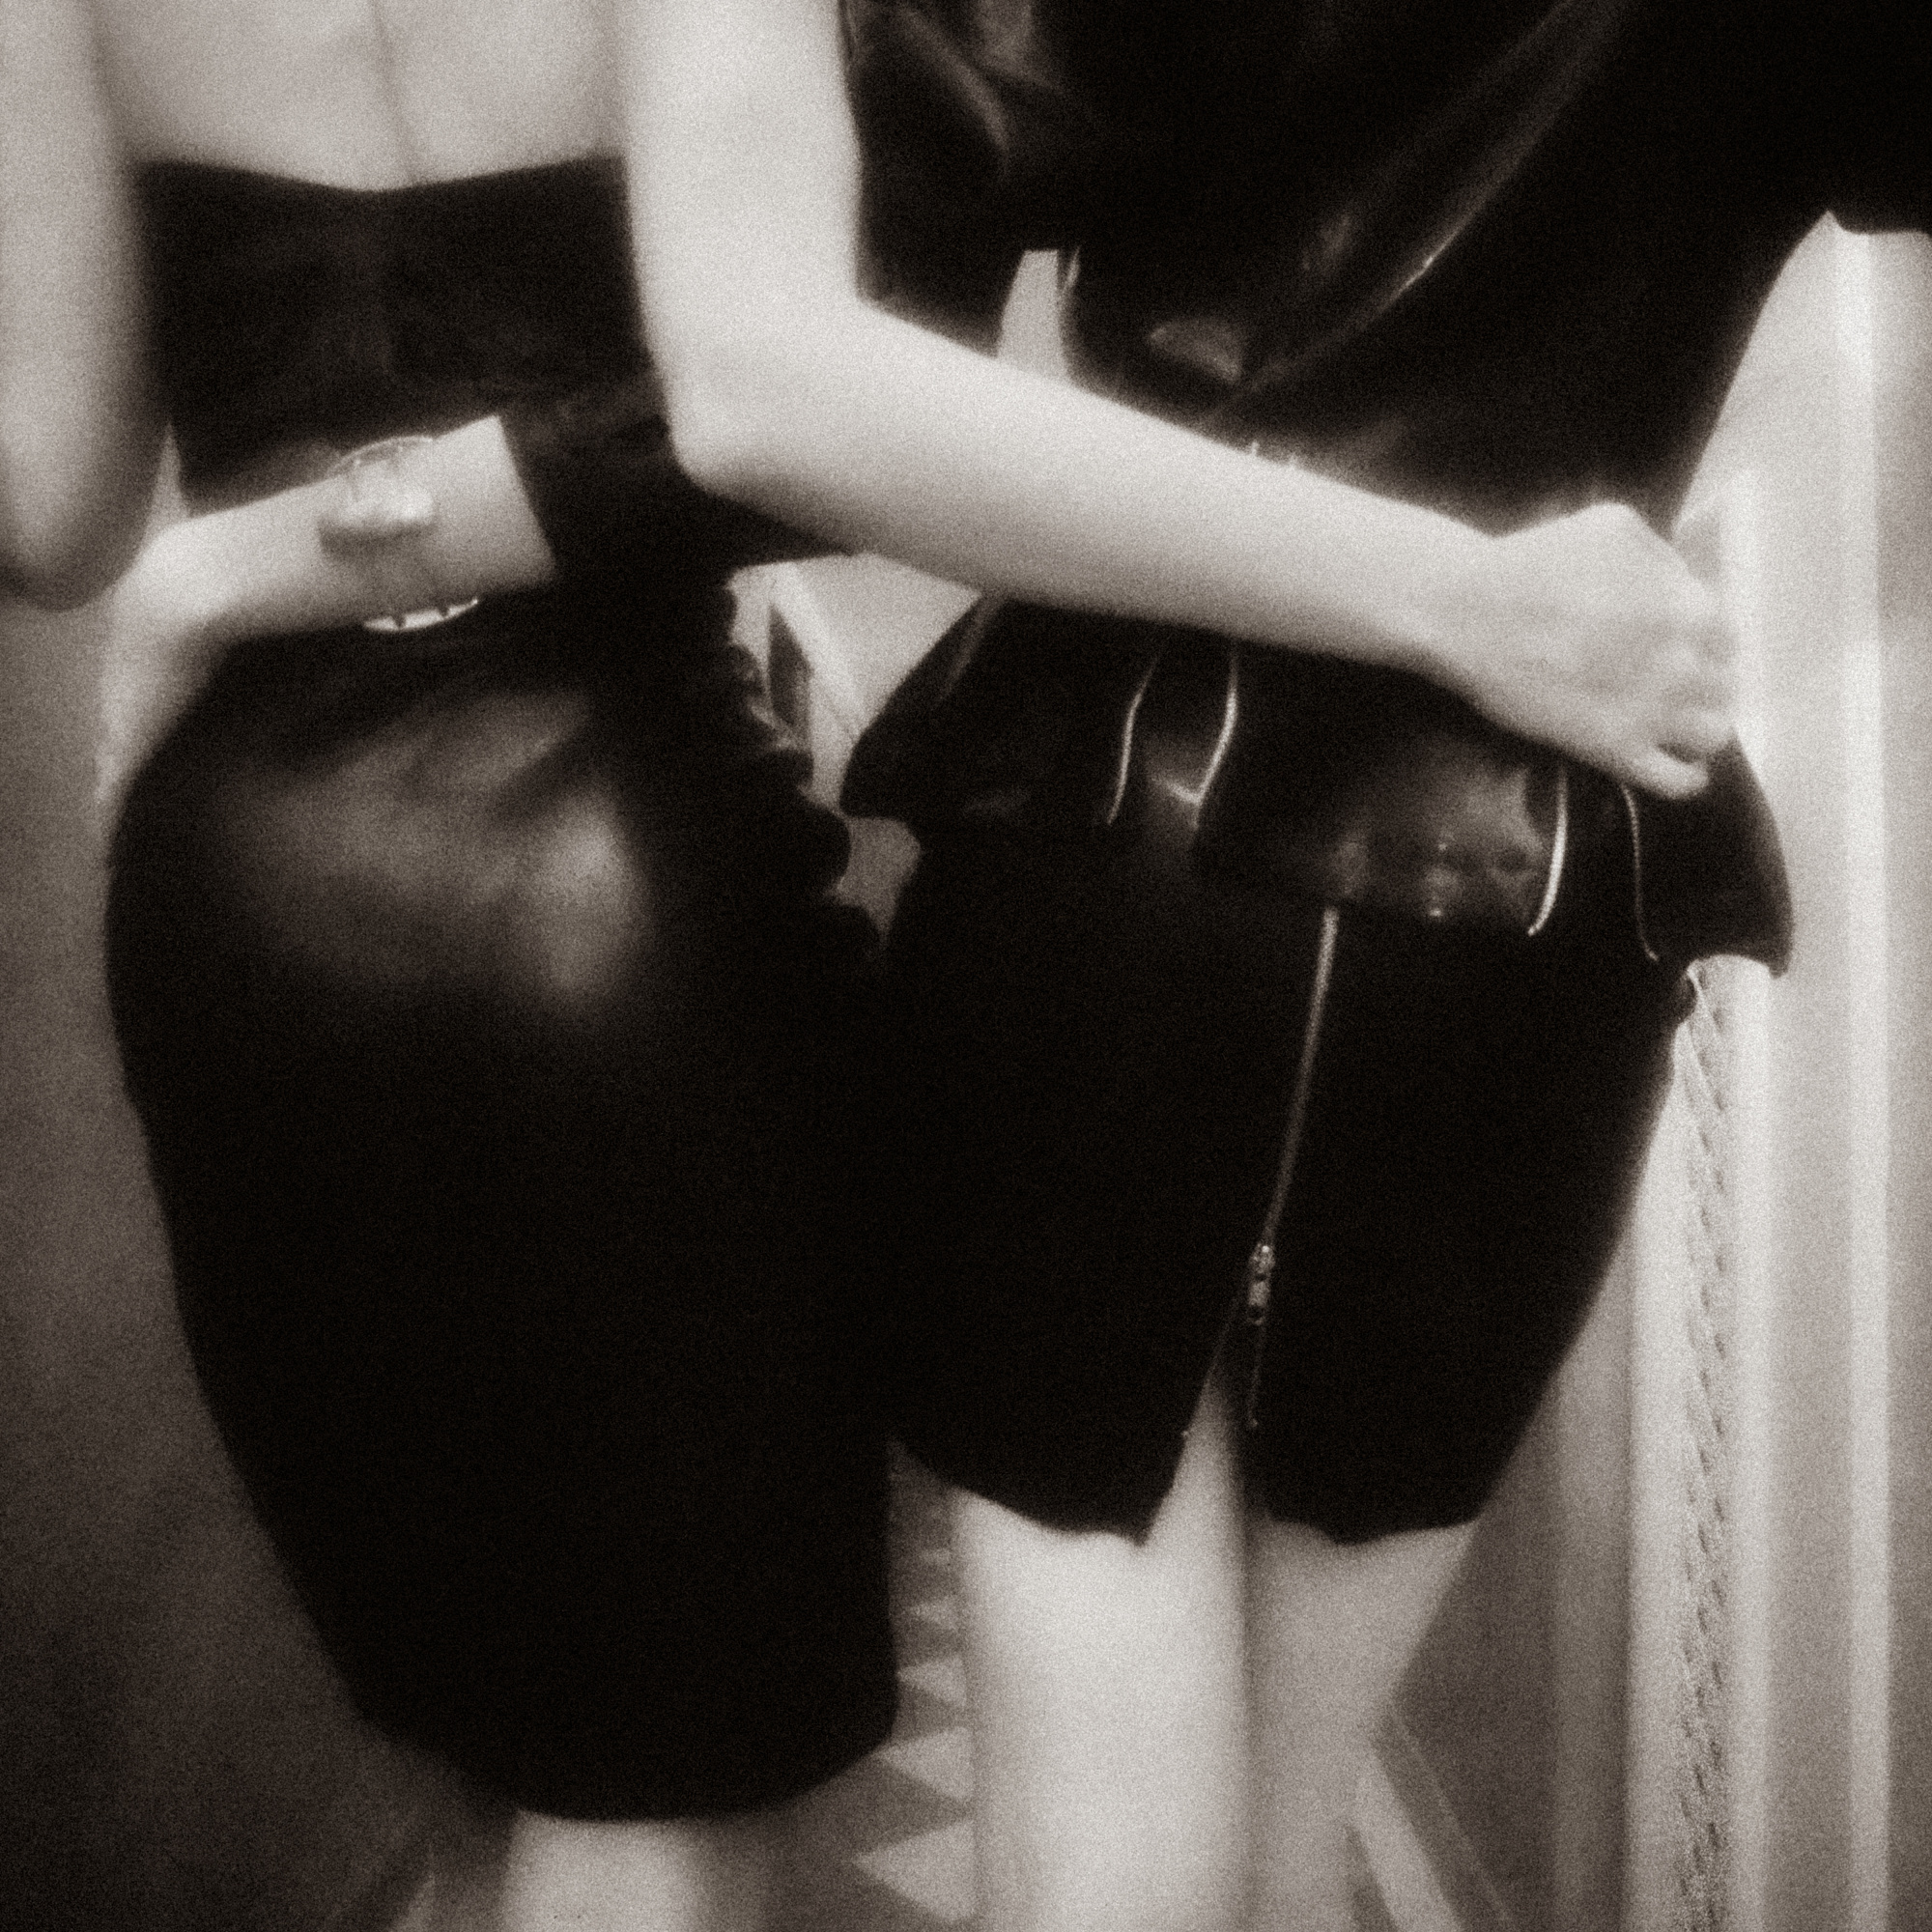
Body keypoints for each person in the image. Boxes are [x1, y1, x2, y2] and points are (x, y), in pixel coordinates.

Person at [2, 1, 1747, 1929]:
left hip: (245, 865)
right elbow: (771, 397)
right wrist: (1463, 595)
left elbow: (51, 498)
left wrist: (233, 554)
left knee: (478, 1741)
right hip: (638, 873)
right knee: (673, 1792)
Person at [826, 0, 1932, 1926]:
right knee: (1289, 1827)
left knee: (1097, 1836)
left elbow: (839, 373)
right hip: (1532, 884)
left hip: (1109, 821)